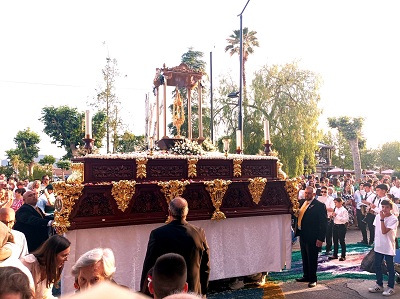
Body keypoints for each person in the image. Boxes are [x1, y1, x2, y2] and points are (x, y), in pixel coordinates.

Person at [140, 196, 210, 296]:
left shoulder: (157, 234)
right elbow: (205, 266)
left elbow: (149, 265)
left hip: (166, 292)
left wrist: (144, 292)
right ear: (187, 212)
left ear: (169, 212)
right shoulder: (199, 233)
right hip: (192, 291)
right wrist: (203, 291)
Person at [295, 186, 327, 288]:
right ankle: (306, 276)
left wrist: (321, 238)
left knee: (312, 258)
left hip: (313, 236)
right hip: (302, 234)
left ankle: (313, 279)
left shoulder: (319, 205)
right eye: (305, 193)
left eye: (309, 193)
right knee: (304, 256)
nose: (307, 195)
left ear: (313, 194)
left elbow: (323, 223)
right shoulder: (302, 202)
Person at [20, 235, 71, 299]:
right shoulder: (28, 263)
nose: (66, 259)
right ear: (52, 254)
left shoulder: (52, 268)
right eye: (64, 255)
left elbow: (46, 295)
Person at [368, 199, 398, 296]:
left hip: (388, 246)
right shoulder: (377, 217)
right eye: (383, 207)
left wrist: (382, 219)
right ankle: (379, 285)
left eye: (387, 207)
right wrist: (375, 242)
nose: (384, 209)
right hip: (379, 245)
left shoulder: (394, 219)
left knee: (390, 267)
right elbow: (377, 230)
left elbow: (384, 231)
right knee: (377, 265)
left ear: (391, 208)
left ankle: (391, 287)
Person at [317, 186, 335, 255]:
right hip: (320, 218)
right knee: (319, 234)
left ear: (328, 192)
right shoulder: (318, 198)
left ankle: (328, 249)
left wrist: (323, 208)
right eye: (322, 192)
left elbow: (332, 209)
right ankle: (319, 248)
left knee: (328, 234)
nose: (323, 193)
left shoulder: (331, 199)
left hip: (328, 218)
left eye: (325, 192)